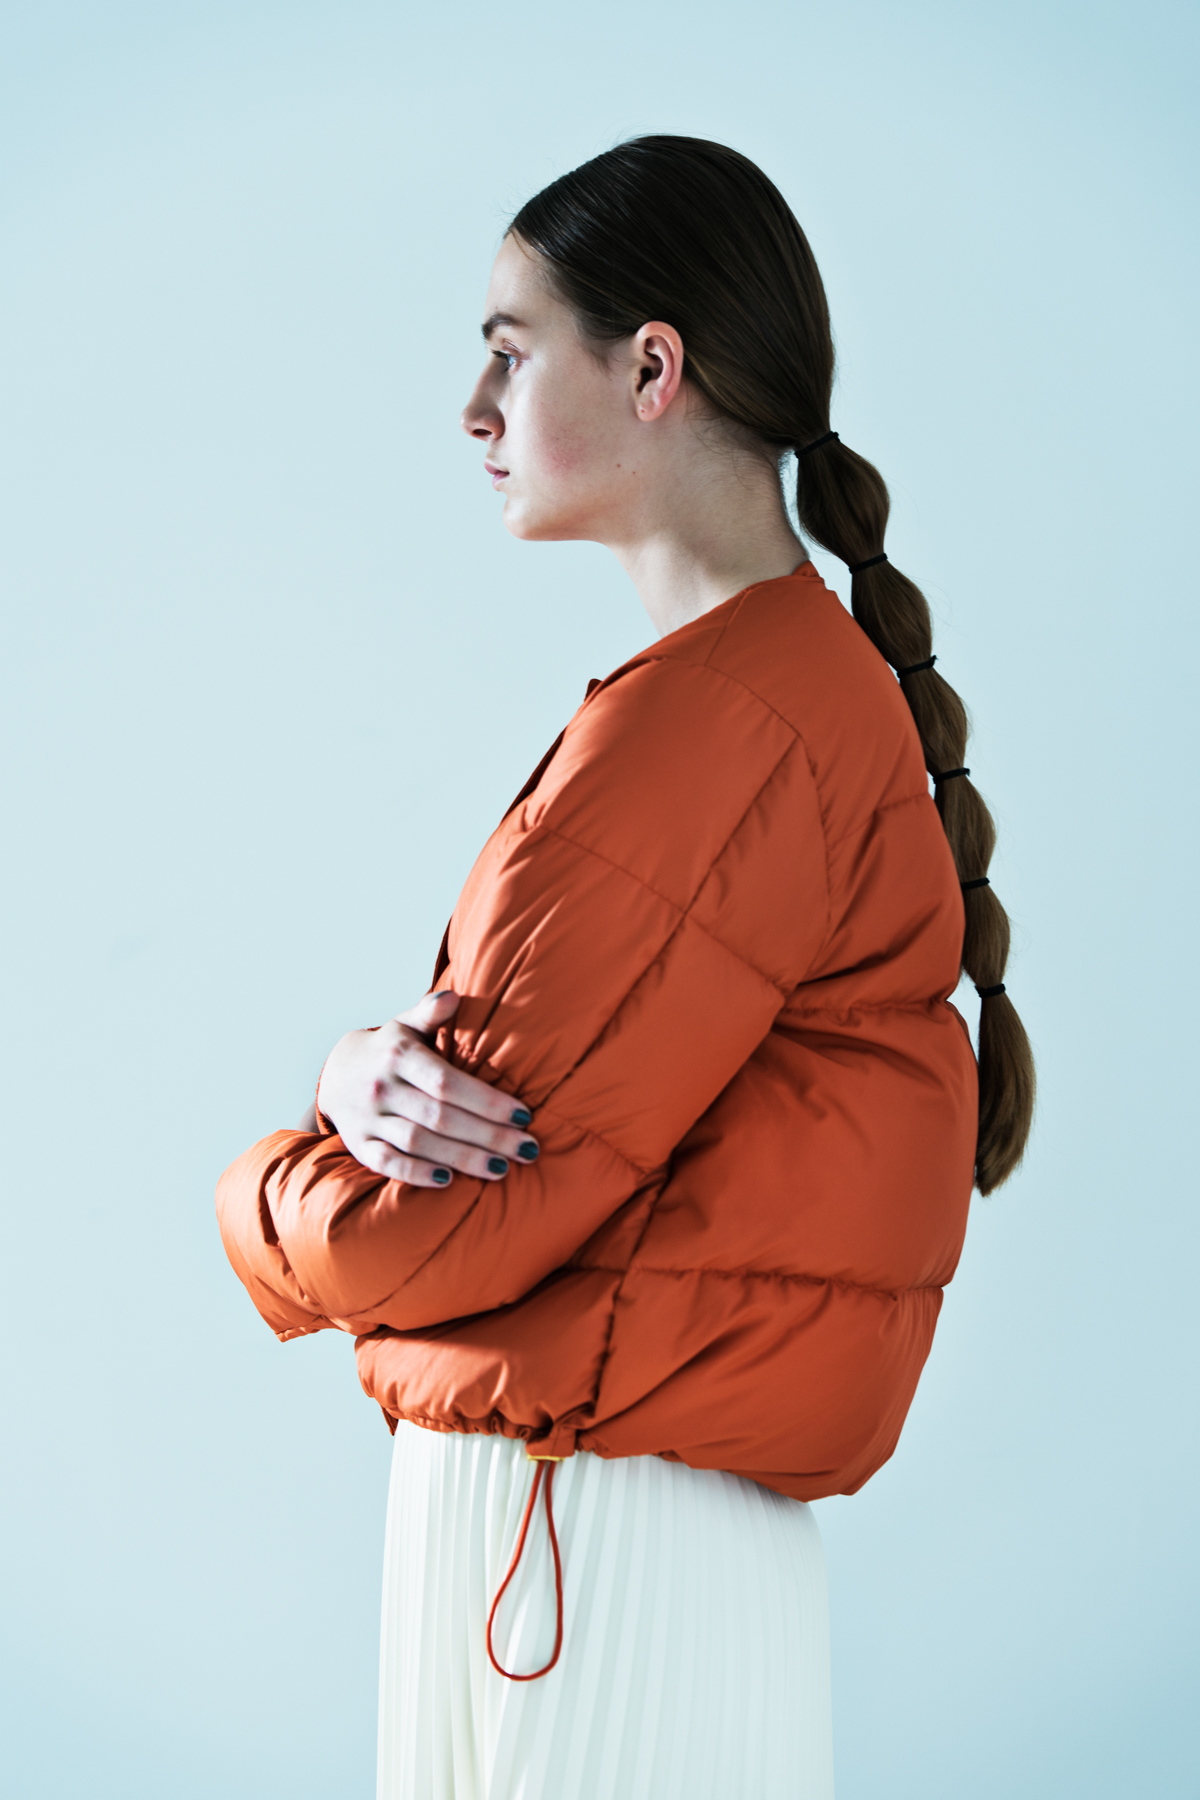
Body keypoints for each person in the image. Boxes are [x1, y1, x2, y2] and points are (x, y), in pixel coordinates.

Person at [217, 135, 1034, 1800]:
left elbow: (442, 1223)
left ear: (653, 369)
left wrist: (259, 1191)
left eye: (511, 353)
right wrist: (355, 1082)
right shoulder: (783, 691)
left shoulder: (715, 728)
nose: (474, 409)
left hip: (582, 1545)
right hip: (609, 1527)